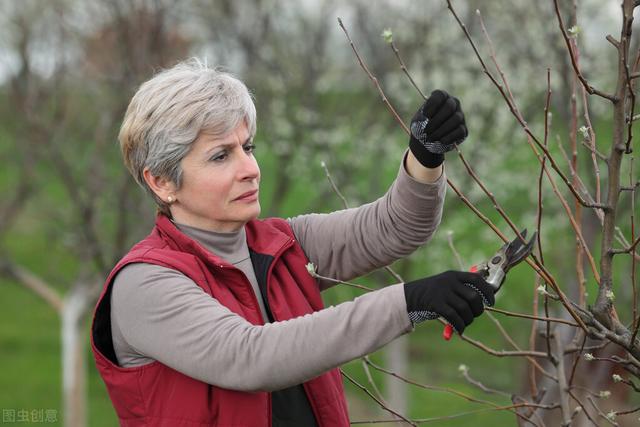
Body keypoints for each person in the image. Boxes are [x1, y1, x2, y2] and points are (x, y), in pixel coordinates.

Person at [90, 59, 495, 427]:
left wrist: (425, 155)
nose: (250, 169)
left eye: (247, 148)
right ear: (161, 181)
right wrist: (410, 301)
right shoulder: (144, 284)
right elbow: (250, 357)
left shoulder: (282, 244)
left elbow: (397, 227)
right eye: (220, 157)